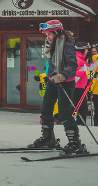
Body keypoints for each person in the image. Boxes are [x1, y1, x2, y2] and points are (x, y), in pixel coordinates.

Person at [28, 20, 85, 154]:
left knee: (64, 112)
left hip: (65, 81)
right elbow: (52, 63)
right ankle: (48, 138)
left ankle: (75, 143)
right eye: (46, 34)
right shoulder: (53, 43)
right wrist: (51, 76)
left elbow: (72, 65)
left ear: (58, 32)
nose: (47, 37)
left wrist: (62, 75)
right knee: (46, 108)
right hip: (53, 80)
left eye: (49, 34)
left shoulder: (67, 44)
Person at [72, 42, 96, 120]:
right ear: (82, 50)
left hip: (81, 87)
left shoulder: (81, 59)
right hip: (76, 87)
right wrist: (86, 73)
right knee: (81, 108)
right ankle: (80, 123)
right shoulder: (77, 59)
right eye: (86, 49)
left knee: (82, 107)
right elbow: (74, 73)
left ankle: (80, 123)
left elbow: (89, 67)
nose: (87, 51)